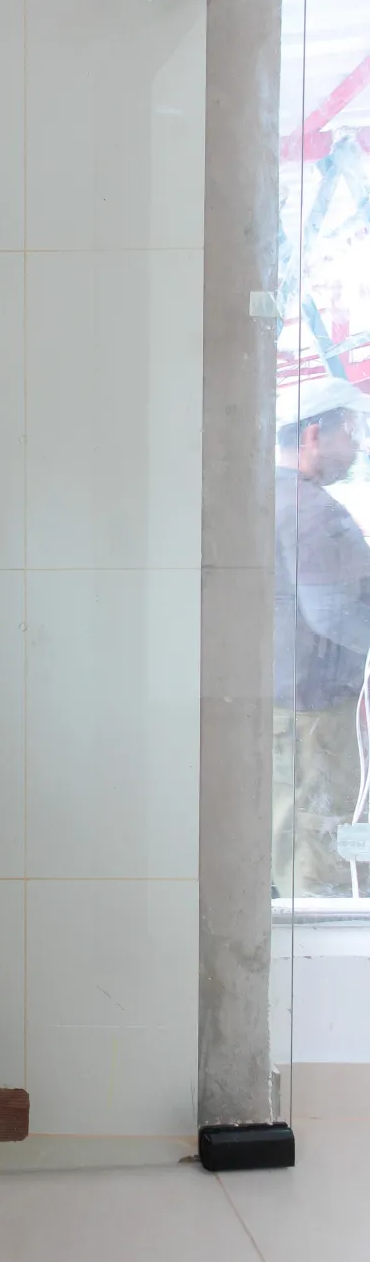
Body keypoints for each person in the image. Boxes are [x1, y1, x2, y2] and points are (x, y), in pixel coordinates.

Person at [274, 377, 370, 897]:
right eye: (350, 433)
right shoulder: (311, 511)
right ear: (314, 435)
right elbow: (332, 613)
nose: (356, 448)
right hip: (315, 716)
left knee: (291, 836)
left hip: (289, 709)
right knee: (319, 853)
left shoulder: (269, 496)